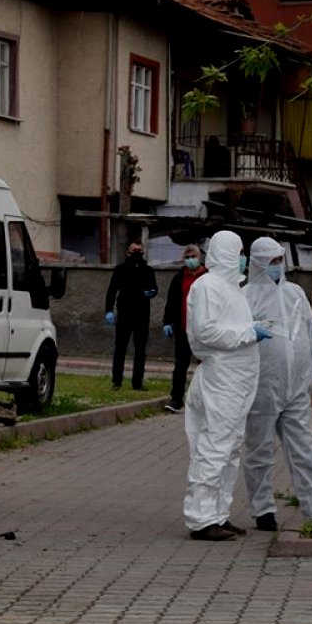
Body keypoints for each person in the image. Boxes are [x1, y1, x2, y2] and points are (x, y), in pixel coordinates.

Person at [241, 236, 312, 531]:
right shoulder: (246, 297)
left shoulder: (295, 293)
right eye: (271, 262)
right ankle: (262, 509)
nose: (276, 266)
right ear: (258, 263)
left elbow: (310, 333)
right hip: (262, 386)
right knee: (258, 450)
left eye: (279, 260)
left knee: (305, 448)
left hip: (296, 387)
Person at [183, 230, 273, 542]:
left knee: (230, 448)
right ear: (226, 253)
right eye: (239, 252)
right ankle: (200, 518)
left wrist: (252, 330)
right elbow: (207, 333)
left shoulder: (232, 288)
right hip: (221, 380)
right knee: (213, 447)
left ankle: (218, 514)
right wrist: (250, 333)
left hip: (236, 383)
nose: (243, 259)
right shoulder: (207, 286)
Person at [104, 240, 159, 391]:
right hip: (124, 313)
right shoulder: (120, 269)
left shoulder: (148, 270)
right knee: (120, 347)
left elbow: (154, 288)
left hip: (142, 314)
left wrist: (152, 292)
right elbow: (112, 290)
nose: (137, 254)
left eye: (139, 251)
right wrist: (109, 310)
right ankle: (117, 381)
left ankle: (137, 382)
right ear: (128, 252)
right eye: (134, 251)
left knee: (140, 349)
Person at [162, 244, 207, 413]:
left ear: (200, 257)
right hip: (183, 327)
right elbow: (171, 301)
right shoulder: (179, 277)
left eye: (193, 256)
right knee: (181, 364)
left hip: (204, 328)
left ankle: (206, 399)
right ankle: (176, 399)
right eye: (187, 257)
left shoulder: (208, 276)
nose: (190, 260)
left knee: (207, 364)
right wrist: (167, 322)